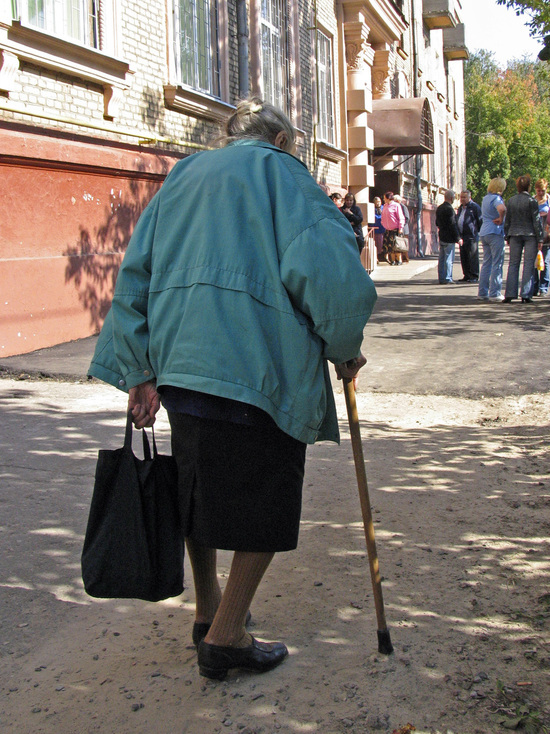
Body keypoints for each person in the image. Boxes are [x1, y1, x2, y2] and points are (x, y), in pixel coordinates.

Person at [88, 97, 377, 681]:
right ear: (281, 140)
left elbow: (136, 271)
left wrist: (138, 367)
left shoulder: (185, 174)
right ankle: (225, 637)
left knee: (196, 489)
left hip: (182, 361)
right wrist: (344, 347)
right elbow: (330, 275)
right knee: (265, 498)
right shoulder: (286, 176)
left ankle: (208, 610)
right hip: (258, 364)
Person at [503, 175, 544, 303]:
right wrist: (540, 238)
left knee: (513, 263)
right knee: (528, 264)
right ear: (529, 187)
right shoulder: (532, 201)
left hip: (514, 233)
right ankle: (526, 294)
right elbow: (536, 221)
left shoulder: (511, 200)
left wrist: (507, 235)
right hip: (530, 235)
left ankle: (510, 293)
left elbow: (508, 220)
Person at [478, 177, 507, 302]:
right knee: (497, 263)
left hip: (484, 231)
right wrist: (501, 218)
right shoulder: (496, 198)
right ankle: (495, 293)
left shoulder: (485, 198)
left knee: (486, 263)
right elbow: (502, 209)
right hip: (495, 231)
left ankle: (482, 292)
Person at [435, 189, 462, 284]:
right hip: (449, 237)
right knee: (448, 259)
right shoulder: (450, 209)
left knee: (442, 258)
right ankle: (448, 278)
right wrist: (458, 238)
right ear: (451, 198)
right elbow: (452, 224)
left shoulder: (439, 208)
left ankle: (441, 278)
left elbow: (437, 222)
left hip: (442, 235)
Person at [456, 190, 482, 282]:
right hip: (462, 236)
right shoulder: (460, 208)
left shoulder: (474, 207)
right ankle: (466, 275)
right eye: (461, 197)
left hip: (471, 236)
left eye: (464, 197)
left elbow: (480, 220)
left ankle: (474, 275)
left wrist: (476, 232)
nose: (462, 199)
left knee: (472, 256)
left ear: (469, 198)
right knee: (464, 256)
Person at [533, 179, 550, 296]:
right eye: (538, 191)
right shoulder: (533, 200)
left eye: (542, 191)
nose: (540, 193)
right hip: (534, 234)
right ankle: (534, 286)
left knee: (546, 261)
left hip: (547, 235)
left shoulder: (549, 200)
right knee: (534, 262)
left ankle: (543, 287)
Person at [380, 191, 405, 265]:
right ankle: (393, 260)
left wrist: (400, 228)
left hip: (395, 229)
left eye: (384, 198)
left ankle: (399, 260)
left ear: (388, 198)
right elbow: (383, 216)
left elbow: (401, 217)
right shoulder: (385, 206)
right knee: (389, 246)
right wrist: (383, 223)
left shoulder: (396, 205)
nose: (384, 199)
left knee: (396, 245)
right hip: (388, 229)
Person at [393, 195, 410, 263]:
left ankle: (406, 258)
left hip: (403, 229)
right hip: (398, 228)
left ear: (398, 201)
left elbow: (407, 218)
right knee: (398, 244)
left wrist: (401, 225)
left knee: (403, 244)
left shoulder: (403, 207)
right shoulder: (395, 206)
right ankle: (398, 259)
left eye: (395, 201)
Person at [373, 196, 385, 262]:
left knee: (382, 244)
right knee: (375, 244)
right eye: (376, 202)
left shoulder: (384, 208)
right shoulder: (372, 208)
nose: (378, 203)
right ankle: (376, 257)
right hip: (375, 228)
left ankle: (384, 257)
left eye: (379, 201)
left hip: (382, 228)